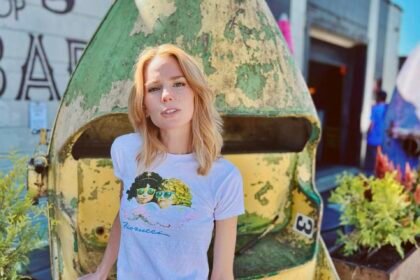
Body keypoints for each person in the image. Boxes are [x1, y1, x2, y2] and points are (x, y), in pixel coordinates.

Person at [79, 44, 244, 279]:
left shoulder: (223, 177)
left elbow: (222, 274)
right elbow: (125, 216)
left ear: (196, 95)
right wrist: (101, 272)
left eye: (179, 83)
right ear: (144, 105)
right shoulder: (126, 151)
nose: (166, 95)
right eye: (154, 88)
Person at [365, 89, 388, 175]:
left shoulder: (375, 109)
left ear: (378, 97)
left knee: (371, 161)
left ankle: (369, 176)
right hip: (383, 140)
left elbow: (372, 124)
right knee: (380, 160)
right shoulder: (387, 109)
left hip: (373, 139)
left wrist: (367, 133)